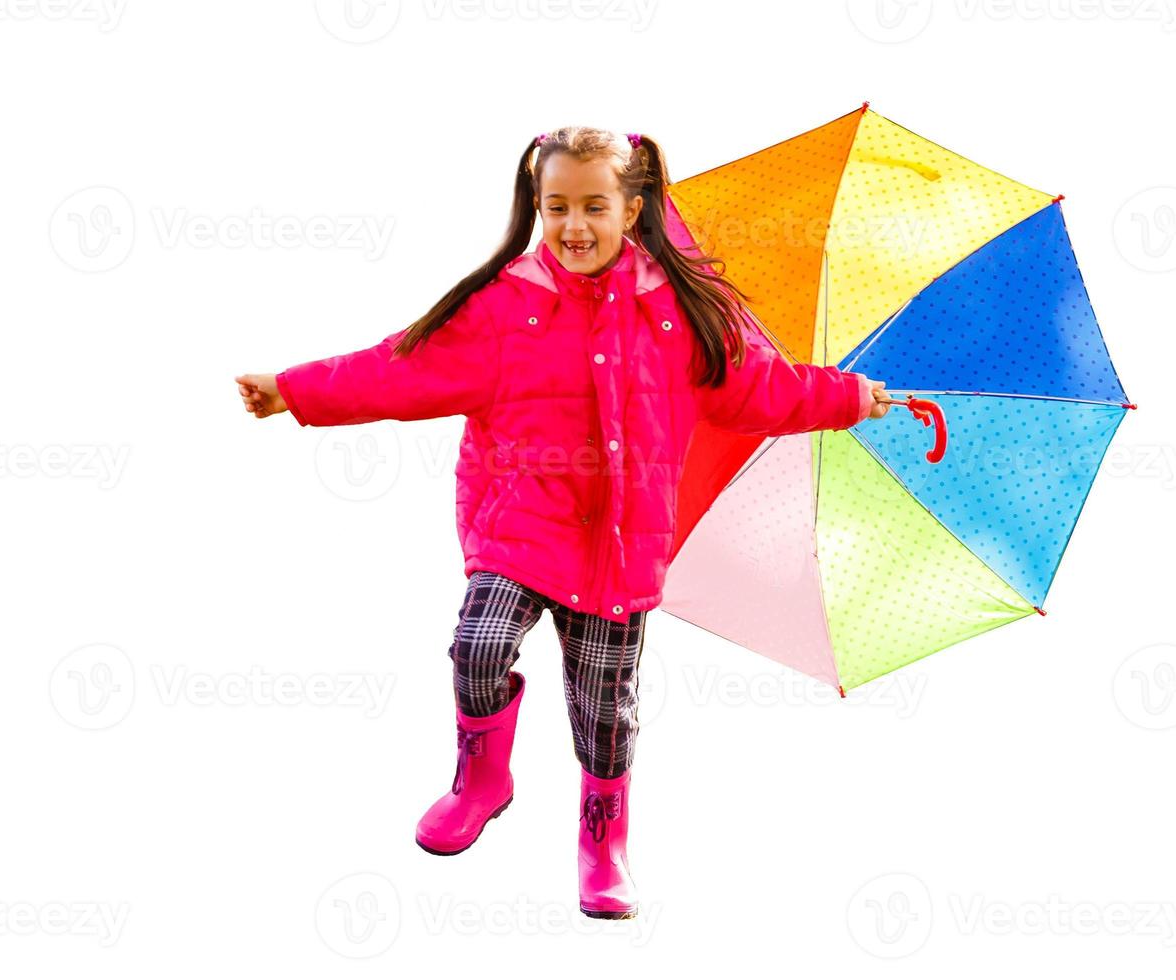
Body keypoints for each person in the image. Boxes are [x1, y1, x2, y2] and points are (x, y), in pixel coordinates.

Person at [235, 127, 892, 919]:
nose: (573, 226)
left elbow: (761, 389)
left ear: (634, 208)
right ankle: (481, 779)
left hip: (621, 543)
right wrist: (296, 391)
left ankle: (603, 837)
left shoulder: (681, 312)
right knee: (477, 648)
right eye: (555, 208)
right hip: (519, 522)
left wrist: (849, 396)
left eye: (593, 206)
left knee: (604, 707)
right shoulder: (506, 307)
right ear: (535, 209)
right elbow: (401, 368)